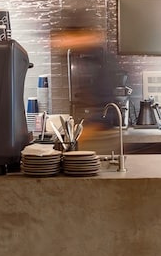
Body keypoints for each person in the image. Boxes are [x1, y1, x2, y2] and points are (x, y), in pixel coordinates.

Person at [50, 10, 122, 155]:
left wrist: (88, 130)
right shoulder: (88, 59)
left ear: (81, 36)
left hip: (102, 137)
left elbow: (106, 108)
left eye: (68, 37)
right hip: (98, 133)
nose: (62, 42)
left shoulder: (98, 60)